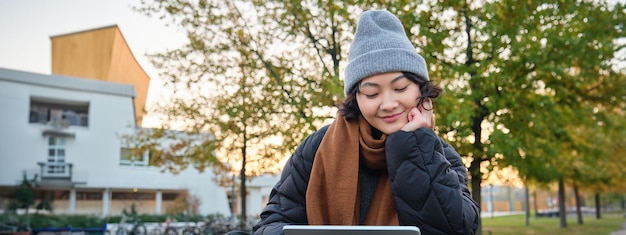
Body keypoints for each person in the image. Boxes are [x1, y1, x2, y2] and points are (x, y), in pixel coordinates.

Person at [251, 9, 480, 235]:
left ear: (421, 91)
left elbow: (456, 228)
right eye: (372, 93)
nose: (388, 103)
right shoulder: (317, 148)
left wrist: (414, 145)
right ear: (356, 99)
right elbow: (273, 221)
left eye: (400, 88)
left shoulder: (440, 154)